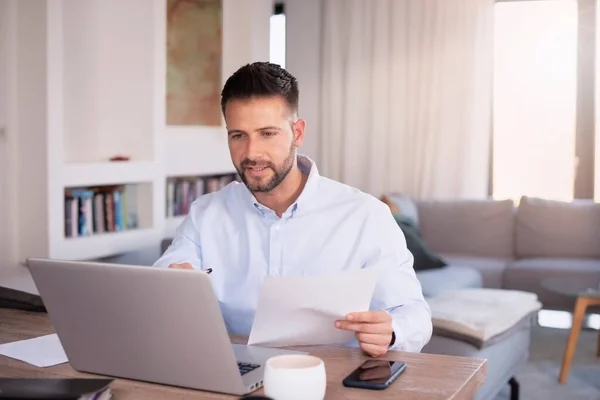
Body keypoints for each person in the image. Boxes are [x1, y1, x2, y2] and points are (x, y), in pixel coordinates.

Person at [153, 62, 432, 357]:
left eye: (267, 133)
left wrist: (391, 332)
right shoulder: (205, 214)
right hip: (231, 376)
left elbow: (413, 314)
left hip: (331, 380)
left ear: (297, 133)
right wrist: (171, 284)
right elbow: (164, 278)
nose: (251, 153)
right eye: (238, 135)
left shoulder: (366, 216)